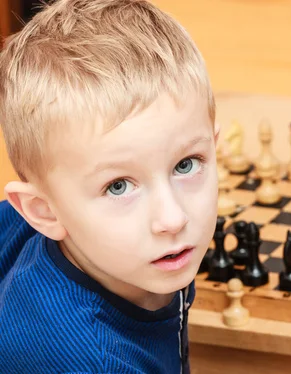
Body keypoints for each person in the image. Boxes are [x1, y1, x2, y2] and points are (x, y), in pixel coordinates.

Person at [0, 0, 219, 372]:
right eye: (118, 187)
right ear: (43, 212)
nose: (173, 218)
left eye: (185, 165)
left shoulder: (139, 256)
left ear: (216, 147)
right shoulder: (93, 362)